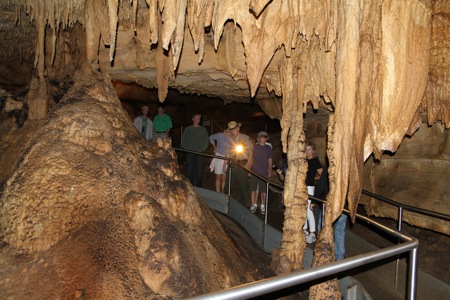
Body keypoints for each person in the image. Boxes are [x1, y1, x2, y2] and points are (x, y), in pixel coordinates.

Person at [223, 121, 253, 206]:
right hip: (232, 163)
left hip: (242, 163)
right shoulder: (230, 139)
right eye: (231, 131)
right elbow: (228, 153)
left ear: (238, 129)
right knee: (228, 183)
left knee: (242, 184)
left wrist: (248, 165)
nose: (233, 132)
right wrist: (225, 164)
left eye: (234, 130)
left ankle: (243, 202)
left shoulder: (245, 138)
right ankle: (225, 200)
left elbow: (251, 152)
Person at [181, 113, 210, 187]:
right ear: (193, 119)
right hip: (190, 152)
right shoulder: (188, 129)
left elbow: (206, 140)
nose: (198, 120)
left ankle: (199, 185)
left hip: (199, 152)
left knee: (199, 169)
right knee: (190, 169)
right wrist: (186, 148)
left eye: (199, 118)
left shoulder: (203, 129)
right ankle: (191, 184)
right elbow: (184, 140)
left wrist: (203, 148)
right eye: (196, 118)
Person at [249, 131, 272, 214]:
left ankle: (263, 205)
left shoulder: (268, 148)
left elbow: (269, 159)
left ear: (266, 138)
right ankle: (253, 204)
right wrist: (249, 170)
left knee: (263, 190)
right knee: (253, 189)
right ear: (259, 138)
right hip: (255, 170)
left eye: (264, 137)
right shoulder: (255, 147)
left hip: (264, 171)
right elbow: (252, 158)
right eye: (261, 137)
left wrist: (270, 170)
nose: (263, 138)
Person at [304, 141, 323, 244]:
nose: (308, 151)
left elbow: (322, 174)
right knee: (303, 209)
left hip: (310, 187)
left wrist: (314, 178)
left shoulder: (315, 161)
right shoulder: (303, 161)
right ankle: (305, 230)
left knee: (309, 210)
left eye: (309, 149)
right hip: (302, 186)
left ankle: (312, 233)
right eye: (306, 149)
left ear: (313, 151)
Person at [209, 129, 230, 193]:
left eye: (230, 133)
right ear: (225, 131)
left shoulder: (232, 138)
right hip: (219, 157)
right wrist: (214, 146)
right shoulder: (220, 135)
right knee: (218, 176)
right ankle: (218, 193)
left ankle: (223, 193)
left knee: (224, 177)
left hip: (227, 158)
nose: (229, 134)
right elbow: (211, 137)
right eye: (228, 132)